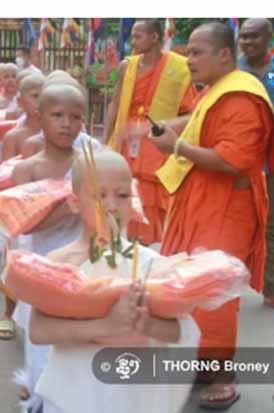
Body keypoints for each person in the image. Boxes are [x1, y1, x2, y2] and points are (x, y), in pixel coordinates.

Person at [30, 149, 199, 413]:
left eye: (122, 195)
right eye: (99, 196)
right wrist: (104, 327)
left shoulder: (151, 264)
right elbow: (39, 330)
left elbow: (182, 331)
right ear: (73, 201)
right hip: (73, 402)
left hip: (136, 403)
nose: (111, 205)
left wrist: (147, 325)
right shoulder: (58, 262)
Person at [148, 22, 274, 409]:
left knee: (215, 288)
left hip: (226, 206)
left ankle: (225, 374)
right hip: (202, 199)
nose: (189, 60)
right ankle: (203, 361)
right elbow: (200, 121)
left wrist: (179, 147)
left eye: (197, 52)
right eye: (187, 52)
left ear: (224, 54)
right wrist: (169, 129)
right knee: (189, 283)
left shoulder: (242, 95)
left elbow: (236, 160)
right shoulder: (218, 89)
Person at [9, 83, 87, 413]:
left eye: (75, 117)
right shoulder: (27, 169)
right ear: (40, 118)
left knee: (79, 343)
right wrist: (69, 204)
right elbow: (24, 222)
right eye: (57, 116)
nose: (67, 124)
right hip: (42, 267)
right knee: (42, 347)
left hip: (85, 265)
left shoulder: (90, 164)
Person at [102, 19, 198, 246]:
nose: (131, 41)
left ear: (155, 38)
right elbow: (115, 104)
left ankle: (151, 249)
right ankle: (122, 245)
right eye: (132, 36)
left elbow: (193, 115)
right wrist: (105, 141)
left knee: (153, 205)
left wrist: (154, 127)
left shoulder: (180, 68)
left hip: (157, 148)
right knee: (123, 194)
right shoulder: (128, 65)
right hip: (126, 144)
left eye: (138, 36)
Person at [0, 73, 45, 341]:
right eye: (34, 95)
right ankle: (7, 314)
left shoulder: (60, 133)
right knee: (13, 264)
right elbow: (5, 178)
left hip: (51, 212)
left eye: (43, 95)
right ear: (21, 101)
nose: (39, 101)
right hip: (20, 212)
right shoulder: (16, 135)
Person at [237, 18, 274, 308]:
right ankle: (231, 284)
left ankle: (273, 289)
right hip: (238, 163)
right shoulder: (233, 71)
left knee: (272, 226)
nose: (248, 42)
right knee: (237, 223)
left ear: (270, 38)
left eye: (254, 37)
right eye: (244, 37)